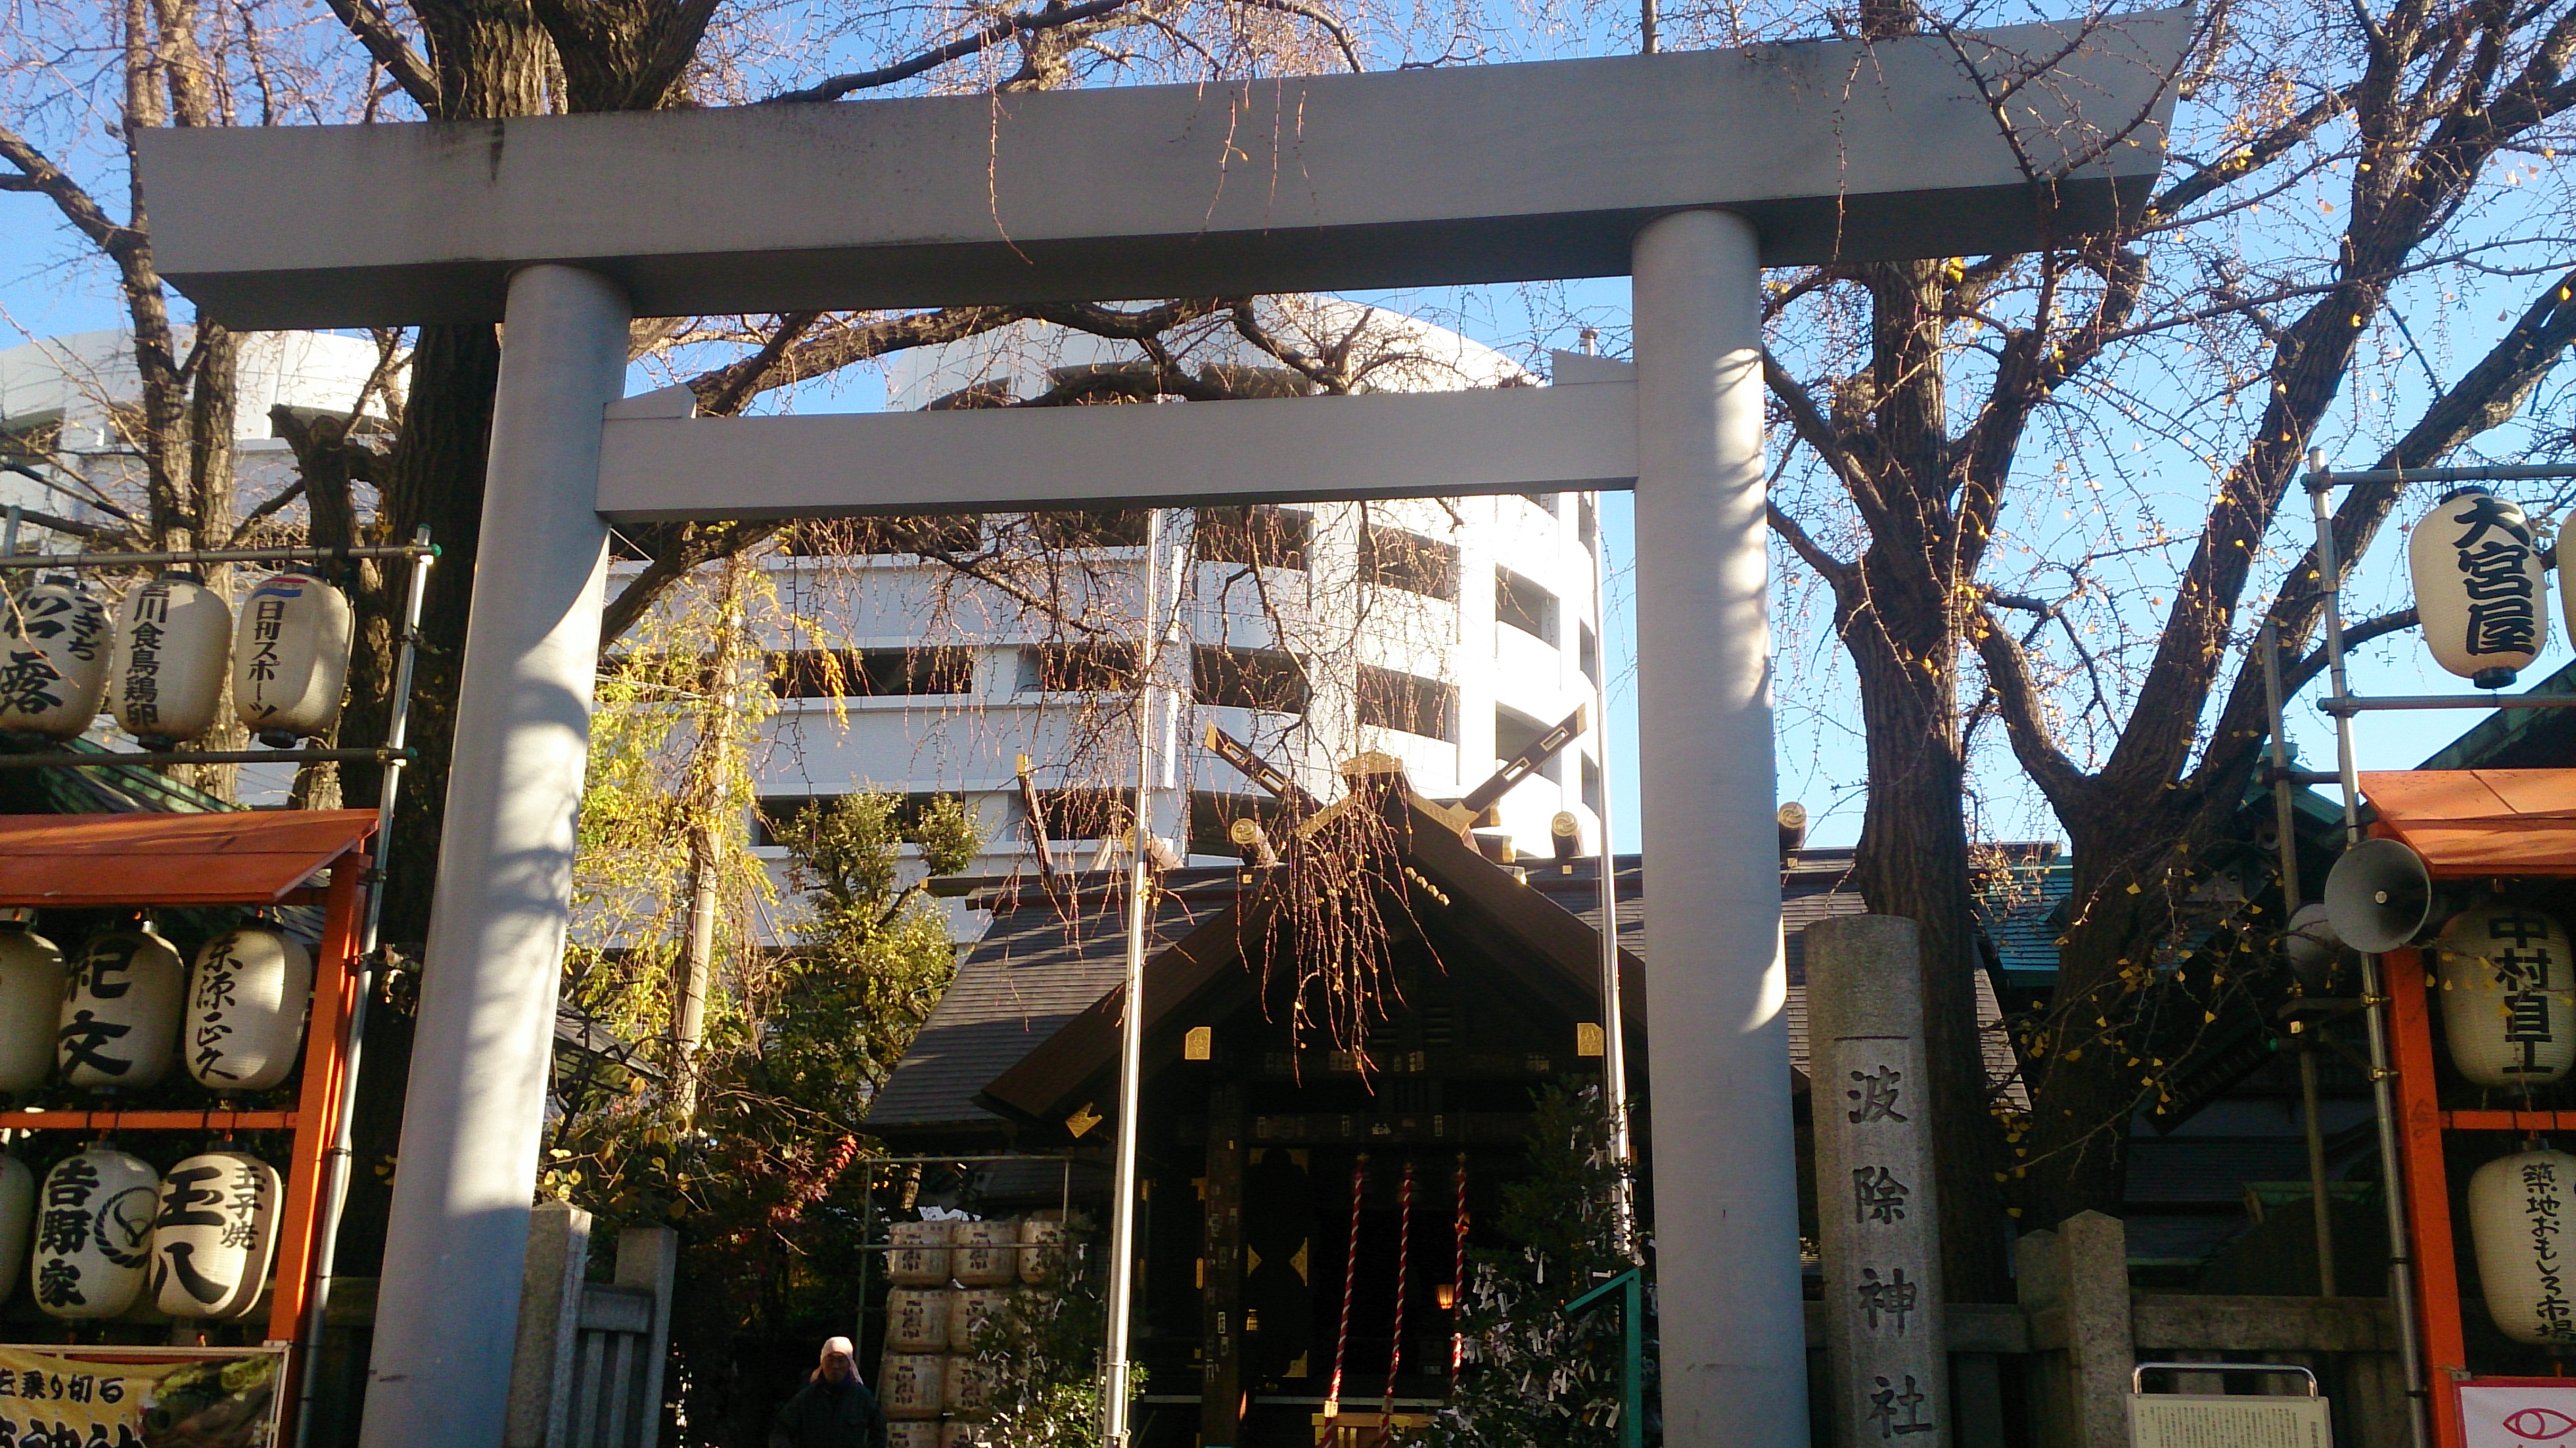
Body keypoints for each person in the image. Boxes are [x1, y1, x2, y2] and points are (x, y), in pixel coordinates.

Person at [770, 1336, 890, 1448]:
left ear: (849, 1364)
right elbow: (781, 1431)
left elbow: (879, 1431)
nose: (835, 1366)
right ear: (823, 1363)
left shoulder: (862, 1398)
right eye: (830, 1360)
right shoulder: (805, 1398)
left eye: (841, 1360)